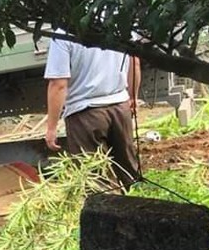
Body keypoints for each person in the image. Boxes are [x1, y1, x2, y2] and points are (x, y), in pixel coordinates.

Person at [44, 31, 141, 189]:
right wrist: (133, 97)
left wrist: (51, 127)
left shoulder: (63, 34)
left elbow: (58, 84)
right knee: (129, 170)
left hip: (85, 113)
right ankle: (140, 206)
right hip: (119, 107)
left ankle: (105, 212)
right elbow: (134, 61)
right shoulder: (117, 21)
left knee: (94, 179)